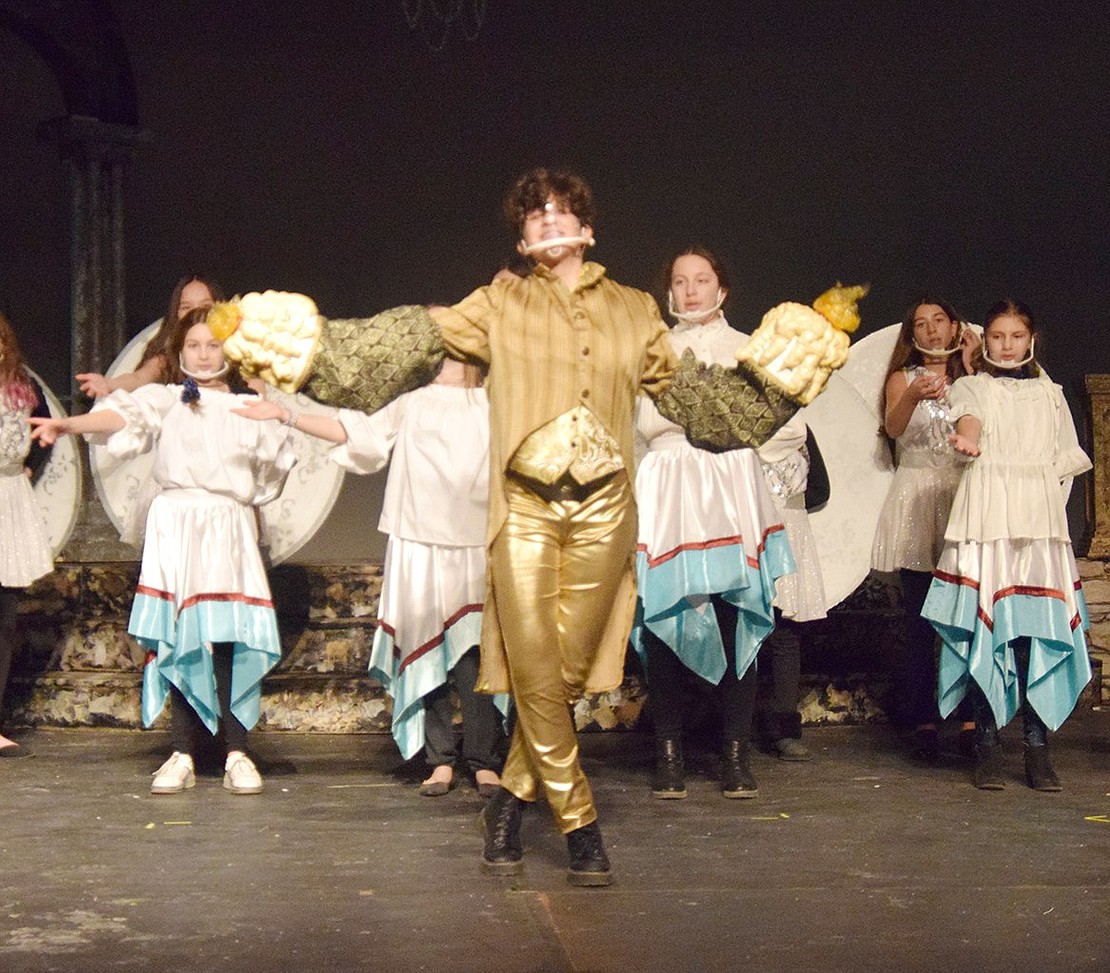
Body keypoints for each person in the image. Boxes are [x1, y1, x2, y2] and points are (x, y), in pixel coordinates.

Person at [214, 167, 854, 885]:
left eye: (563, 210)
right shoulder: (496, 305)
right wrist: (289, 344)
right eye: (534, 215)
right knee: (535, 665)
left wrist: (795, 365)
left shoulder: (636, 310)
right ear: (521, 237)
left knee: (570, 670)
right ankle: (581, 823)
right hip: (524, 509)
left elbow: (705, 407)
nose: (549, 220)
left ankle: (513, 802)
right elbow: (393, 347)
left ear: (587, 227)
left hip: (606, 510)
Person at [31, 307, 295, 794]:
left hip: (227, 523)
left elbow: (275, 462)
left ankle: (237, 750)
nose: (203, 353)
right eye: (193, 344)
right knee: (181, 635)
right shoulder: (167, 399)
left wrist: (275, 417)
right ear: (180, 351)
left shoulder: (245, 403)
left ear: (228, 350)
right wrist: (66, 426)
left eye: (212, 344)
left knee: (229, 635)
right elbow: (120, 415)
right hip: (176, 523)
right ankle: (182, 751)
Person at [239, 358, 508, 798]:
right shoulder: (413, 400)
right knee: (429, 652)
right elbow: (356, 432)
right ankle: (439, 759)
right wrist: (288, 414)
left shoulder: (494, 399)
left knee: (474, 653)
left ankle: (483, 760)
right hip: (419, 539)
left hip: (475, 541)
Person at [633, 246, 796, 800]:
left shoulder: (749, 349)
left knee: (736, 613)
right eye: (680, 281)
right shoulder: (651, 353)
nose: (691, 290)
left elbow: (786, 424)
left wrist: (739, 446)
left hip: (728, 482)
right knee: (664, 612)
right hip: (668, 486)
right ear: (669, 291)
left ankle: (735, 752)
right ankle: (669, 752)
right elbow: (632, 430)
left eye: (702, 280)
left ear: (722, 289)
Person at [921, 300, 1091, 791]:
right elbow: (970, 420)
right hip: (988, 522)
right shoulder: (974, 386)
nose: (1007, 345)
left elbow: (1064, 462)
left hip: (1036, 526)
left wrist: (1044, 513)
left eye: (1016, 336)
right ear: (984, 340)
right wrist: (969, 441)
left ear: (1031, 339)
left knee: (1037, 631)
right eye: (998, 336)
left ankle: (1037, 748)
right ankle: (987, 744)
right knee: (987, 630)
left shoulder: (1050, 394)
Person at [870, 298, 978, 761]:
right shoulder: (903, 377)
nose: (932, 331)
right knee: (918, 619)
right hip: (916, 496)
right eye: (921, 324)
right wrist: (913, 393)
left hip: (962, 494)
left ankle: (973, 717)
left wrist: (972, 368)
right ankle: (923, 718)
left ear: (955, 326)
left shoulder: (973, 379)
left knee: (968, 614)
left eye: (939, 321)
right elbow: (893, 428)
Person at [754, 422, 829, 762]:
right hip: (752, 530)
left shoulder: (800, 427)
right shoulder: (739, 423)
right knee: (745, 628)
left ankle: (783, 727)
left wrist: (789, 506)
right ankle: (735, 726)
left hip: (792, 534)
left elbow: (820, 489)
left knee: (786, 634)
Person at [0, 313, 54, 756]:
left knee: (4, 617)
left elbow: (45, 431)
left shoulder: (23, 390)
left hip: (8, 500)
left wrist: (27, 470)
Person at [76, 274, 225, 398]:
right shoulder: (166, 359)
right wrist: (109, 384)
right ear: (176, 313)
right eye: (186, 307)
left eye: (205, 306)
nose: (195, 313)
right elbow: (139, 378)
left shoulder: (238, 353)